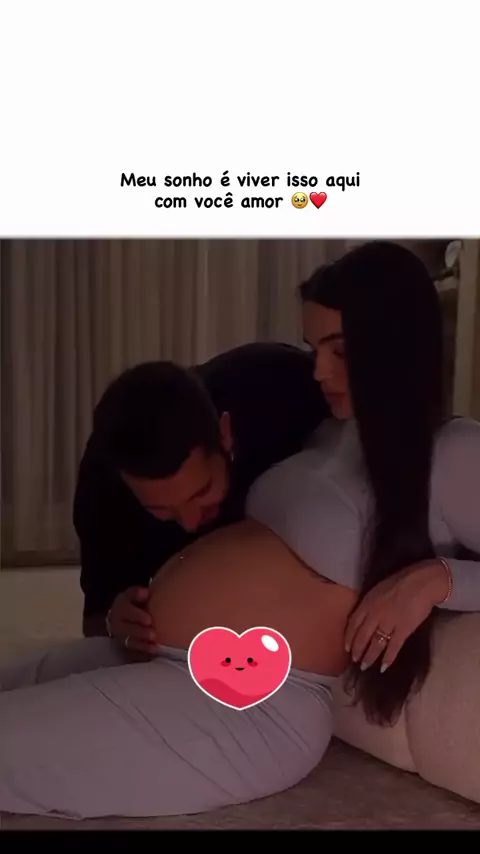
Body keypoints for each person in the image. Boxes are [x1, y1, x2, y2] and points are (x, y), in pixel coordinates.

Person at [1, 241, 480, 821]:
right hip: (169, 658)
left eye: (339, 351)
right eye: (314, 349)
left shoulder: (453, 451)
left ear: (395, 346)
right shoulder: (328, 432)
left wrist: (437, 579)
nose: (317, 371)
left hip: (252, 702)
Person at [73, 342, 329, 648]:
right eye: (161, 509)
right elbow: (95, 619)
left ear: (225, 433)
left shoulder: (279, 387)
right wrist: (114, 621)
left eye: (202, 492)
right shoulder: (102, 491)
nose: (191, 522)